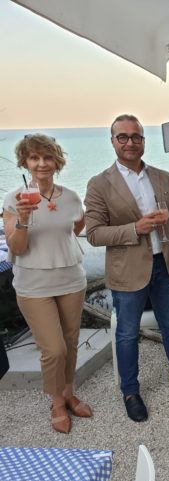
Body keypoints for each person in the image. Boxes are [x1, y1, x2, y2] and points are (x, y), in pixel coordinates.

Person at [85, 114, 169, 423]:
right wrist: (135, 228)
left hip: (166, 266)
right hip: (127, 272)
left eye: (136, 136)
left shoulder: (162, 177)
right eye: (123, 137)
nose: (130, 142)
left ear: (143, 140)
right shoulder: (99, 183)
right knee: (127, 334)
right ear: (113, 141)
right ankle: (130, 391)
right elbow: (94, 234)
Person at [2, 134, 90, 433]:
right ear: (25, 162)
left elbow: (77, 226)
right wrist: (23, 219)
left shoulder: (71, 197)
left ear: (57, 162)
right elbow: (16, 247)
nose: (41, 163)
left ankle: (68, 392)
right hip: (33, 284)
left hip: (71, 279)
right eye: (34, 158)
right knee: (53, 349)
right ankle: (56, 401)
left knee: (70, 342)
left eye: (47, 157)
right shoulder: (14, 199)